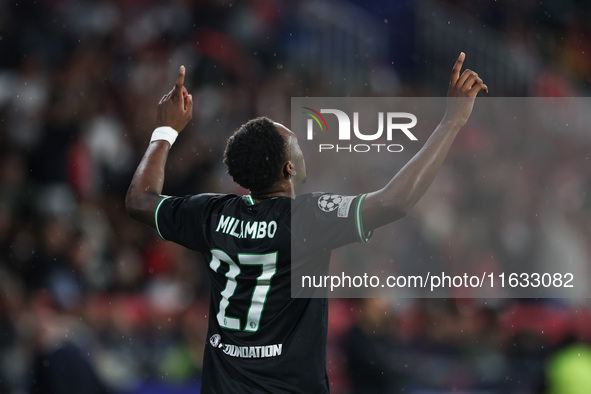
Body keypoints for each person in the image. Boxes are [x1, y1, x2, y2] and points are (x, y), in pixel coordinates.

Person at [125, 52, 487, 393]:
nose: (303, 147)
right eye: (295, 143)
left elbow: (140, 200)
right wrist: (451, 121)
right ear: (288, 168)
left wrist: (165, 132)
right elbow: (396, 200)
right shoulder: (308, 219)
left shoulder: (212, 213)